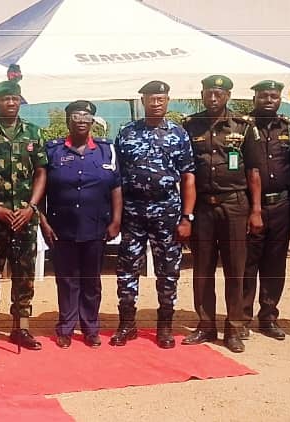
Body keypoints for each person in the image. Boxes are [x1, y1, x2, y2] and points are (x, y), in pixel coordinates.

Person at [181, 75, 264, 353]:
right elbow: (187, 171)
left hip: (234, 204)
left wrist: (256, 210)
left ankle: (233, 328)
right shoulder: (190, 125)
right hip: (203, 205)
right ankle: (205, 325)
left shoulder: (243, 126)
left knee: (235, 269)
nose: (212, 98)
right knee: (202, 268)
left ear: (228, 95)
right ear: (202, 94)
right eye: (208, 93)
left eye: (218, 93)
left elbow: (253, 170)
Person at [111, 80, 195, 349]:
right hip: (133, 213)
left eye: (161, 98)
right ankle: (127, 325)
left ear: (167, 101)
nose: (156, 103)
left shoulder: (179, 134)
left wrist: (187, 217)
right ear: (143, 101)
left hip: (167, 213)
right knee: (126, 271)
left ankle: (165, 327)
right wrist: (116, 216)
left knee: (168, 272)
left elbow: (188, 177)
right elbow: (117, 177)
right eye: (151, 98)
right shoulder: (126, 132)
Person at [0, 80, 48, 354]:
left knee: (24, 273)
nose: (10, 103)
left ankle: (21, 327)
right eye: (5, 99)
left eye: (14, 98)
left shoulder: (34, 133)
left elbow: (41, 173)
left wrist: (31, 207)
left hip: (25, 216)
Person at [39, 100, 121, 349]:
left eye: (86, 116)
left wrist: (117, 220)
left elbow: (117, 186)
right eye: (76, 116)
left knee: (91, 280)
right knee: (66, 279)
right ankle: (65, 327)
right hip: (61, 227)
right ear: (68, 121)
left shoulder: (107, 151)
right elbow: (40, 187)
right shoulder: (52, 151)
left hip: (96, 226)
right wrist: (42, 221)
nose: (82, 120)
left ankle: (90, 328)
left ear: (92, 121)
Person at [241, 80, 290, 341]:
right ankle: (242, 316)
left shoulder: (288, 129)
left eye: (274, 96)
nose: (269, 100)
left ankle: (269, 316)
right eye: (263, 96)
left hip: (281, 206)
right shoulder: (243, 128)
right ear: (255, 98)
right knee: (248, 264)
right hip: (251, 205)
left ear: (280, 98)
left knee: (275, 264)